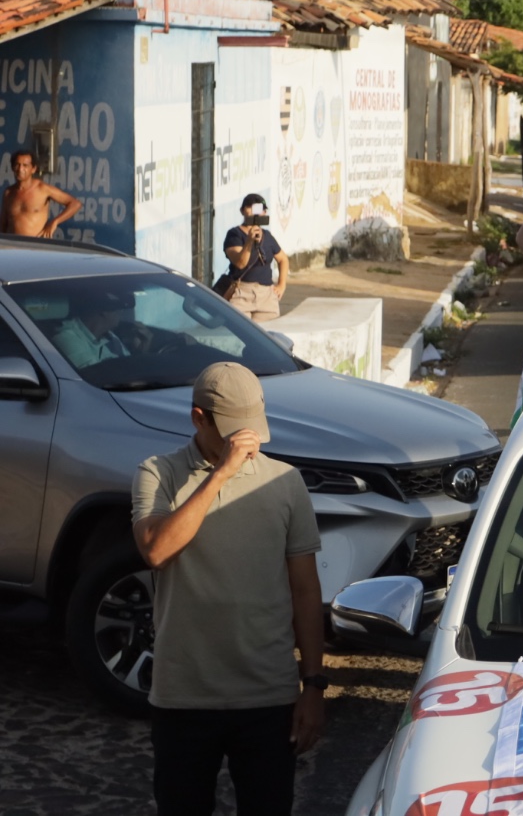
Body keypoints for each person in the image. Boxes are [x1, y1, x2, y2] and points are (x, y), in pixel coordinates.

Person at [132, 362, 324, 816]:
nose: (248, 444)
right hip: (183, 698)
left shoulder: (286, 482)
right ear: (199, 418)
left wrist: (314, 686)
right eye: (235, 433)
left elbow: (305, 590)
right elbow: (156, 551)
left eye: (253, 429)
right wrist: (219, 475)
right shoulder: (157, 473)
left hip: (267, 697)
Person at [222, 195, 290, 322]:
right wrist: (249, 242)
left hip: (266, 296)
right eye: (250, 207)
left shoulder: (267, 236)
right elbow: (240, 263)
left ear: (264, 212)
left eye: (260, 209)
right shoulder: (234, 235)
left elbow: (283, 259)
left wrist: (281, 285)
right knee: (239, 334)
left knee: (267, 336)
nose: (255, 212)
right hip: (241, 294)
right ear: (242, 211)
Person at [52, 289, 147, 369]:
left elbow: (131, 371)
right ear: (105, 310)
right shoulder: (66, 338)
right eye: (119, 305)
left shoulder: (111, 337)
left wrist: (140, 351)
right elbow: (97, 378)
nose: (122, 310)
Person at [1, 149, 81, 237]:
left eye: (25, 165)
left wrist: (55, 222)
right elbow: (3, 223)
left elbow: (75, 204)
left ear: (33, 169)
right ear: (12, 167)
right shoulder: (8, 193)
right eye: (17, 165)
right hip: (13, 246)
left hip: (36, 245)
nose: (20, 169)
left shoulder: (42, 189)